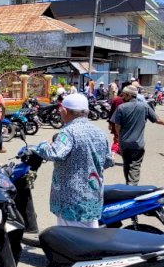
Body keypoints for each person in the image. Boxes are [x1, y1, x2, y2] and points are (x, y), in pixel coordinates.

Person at [35, 94, 113, 227]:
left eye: (61, 109)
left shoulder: (68, 132)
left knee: (71, 240)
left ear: (65, 111)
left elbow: (55, 153)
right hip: (93, 195)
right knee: (90, 236)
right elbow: (107, 161)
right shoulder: (99, 132)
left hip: (71, 198)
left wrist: (42, 146)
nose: (59, 112)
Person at [111, 85, 164, 185]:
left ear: (129, 95)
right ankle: (132, 187)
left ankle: (129, 185)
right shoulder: (144, 106)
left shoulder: (121, 108)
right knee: (135, 166)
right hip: (137, 144)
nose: (122, 96)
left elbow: (117, 126)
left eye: (123, 95)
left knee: (127, 164)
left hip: (124, 143)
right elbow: (157, 119)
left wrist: (120, 135)